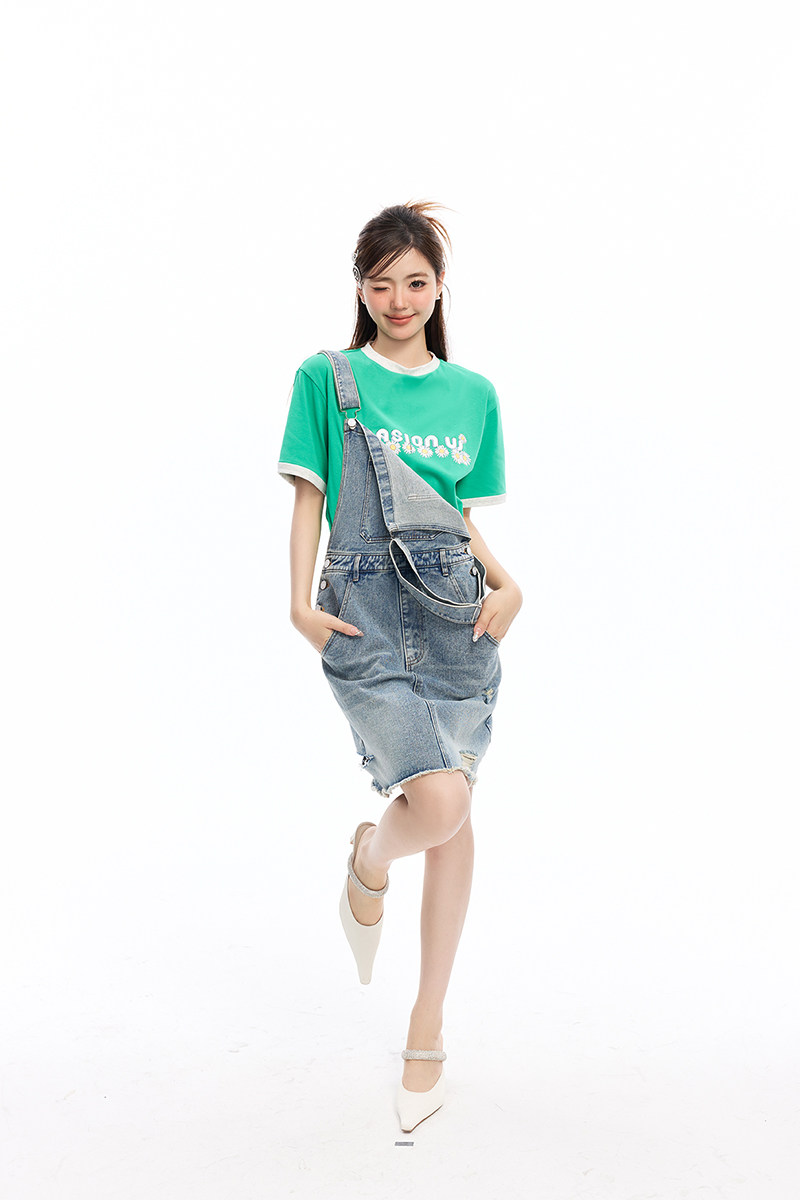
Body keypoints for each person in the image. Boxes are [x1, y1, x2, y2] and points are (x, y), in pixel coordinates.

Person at [278, 202, 522, 1132]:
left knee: (456, 813)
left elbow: (453, 513)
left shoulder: (473, 394)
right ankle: (369, 857)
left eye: (416, 282)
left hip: (459, 613)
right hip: (364, 615)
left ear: (439, 288)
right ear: (361, 288)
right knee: (439, 801)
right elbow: (310, 494)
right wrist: (299, 602)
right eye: (381, 284)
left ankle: (428, 1026)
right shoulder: (326, 377)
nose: (399, 300)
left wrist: (509, 583)